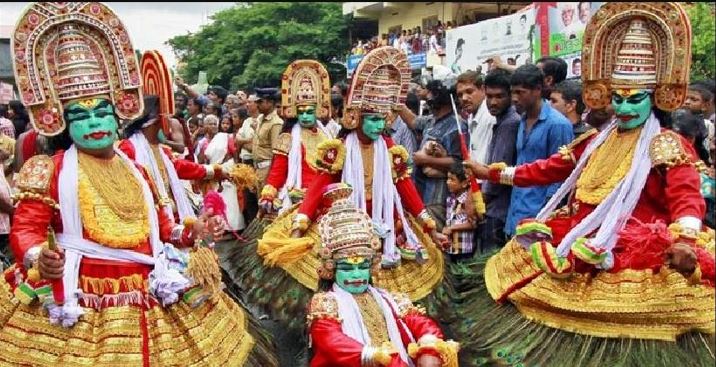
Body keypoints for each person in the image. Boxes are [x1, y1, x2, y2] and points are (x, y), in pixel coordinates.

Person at [0, 3, 278, 365]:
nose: (95, 123)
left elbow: (163, 229)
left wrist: (193, 230)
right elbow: (27, 229)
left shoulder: (136, 169)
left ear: (119, 116)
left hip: (148, 286)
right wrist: (40, 256)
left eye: (102, 112)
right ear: (62, 123)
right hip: (81, 293)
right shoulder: (47, 169)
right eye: (81, 116)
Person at [461, 5, 715, 365]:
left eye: (635, 99)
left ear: (655, 97)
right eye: (618, 98)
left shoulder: (667, 144)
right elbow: (550, 168)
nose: (624, 108)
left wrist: (685, 241)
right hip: (579, 233)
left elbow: (686, 197)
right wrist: (494, 173)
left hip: (635, 252)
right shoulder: (597, 140)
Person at [227, 47, 446, 333]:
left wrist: (428, 225)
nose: (378, 125)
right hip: (342, 224)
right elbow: (319, 184)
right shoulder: (339, 147)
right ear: (356, 117)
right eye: (372, 119)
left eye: (382, 119)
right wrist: (300, 223)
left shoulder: (391, 150)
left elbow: (404, 186)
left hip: (385, 223)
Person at [307, 183, 459, 367]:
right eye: (347, 268)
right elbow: (332, 341)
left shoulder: (388, 299)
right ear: (332, 270)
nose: (356, 275)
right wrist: (374, 356)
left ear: (372, 267)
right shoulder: (325, 304)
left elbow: (417, 321)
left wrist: (429, 345)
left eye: (362, 266)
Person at [503, 64, 574, 237]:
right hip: (516, 213)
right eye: (513, 92)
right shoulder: (523, 120)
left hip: (539, 217)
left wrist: (546, 213)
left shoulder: (558, 124)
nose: (514, 98)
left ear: (537, 90)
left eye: (520, 92)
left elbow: (561, 175)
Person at [258, 60, 334, 216]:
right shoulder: (288, 137)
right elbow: (277, 171)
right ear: (295, 112)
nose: (305, 116)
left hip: (327, 199)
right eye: (301, 112)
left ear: (318, 111)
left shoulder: (329, 135)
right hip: (297, 199)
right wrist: (268, 195)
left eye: (309, 111)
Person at [413, 79, 468, 229]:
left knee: (435, 242)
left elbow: (459, 163)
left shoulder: (457, 125)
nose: (427, 98)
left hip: (438, 197)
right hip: (422, 194)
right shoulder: (432, 120)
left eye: (431, 94)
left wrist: (425, 159)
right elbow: (413, 121)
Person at [479, 69, 521, 253]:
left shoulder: (510, 123)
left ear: (510, 95)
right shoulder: (502, 121)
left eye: (499, 96)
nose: (493, 102)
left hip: (499, 210)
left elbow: (498, 172)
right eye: (489, 96)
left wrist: (479, 202)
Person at [197, 114, 244, 232]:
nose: (213, 126)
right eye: (210, 124)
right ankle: (216, 225)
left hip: (226, 170)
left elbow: (234, 153)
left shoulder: (224, 137)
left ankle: (231, 226)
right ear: (204, 126)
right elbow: (201, 160)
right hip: (211, 173)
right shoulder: (203, 142)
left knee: (229, 199)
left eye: (214, 124)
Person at [246, 88, 283, 186]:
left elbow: (276, 152)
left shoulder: (276, 123)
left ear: (270, 103)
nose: (257, 105)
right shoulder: (260, 119)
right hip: (257, 169)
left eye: (260, 102)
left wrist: (271, 177)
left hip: (268, 170)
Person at [442, 162, 477, 262]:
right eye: (447, 178)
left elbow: (473, 224)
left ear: (464, 183)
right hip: (452, 248)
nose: (448, 182)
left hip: (464, 249)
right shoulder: (450, 200)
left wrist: (452, 228)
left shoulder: (468, 201)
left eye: (452, 179)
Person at [457, 71, 493, 165]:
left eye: (469, 92)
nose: (464, 98)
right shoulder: (471, 117)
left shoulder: (490, 116)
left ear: (482, 90)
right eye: (460, 95)